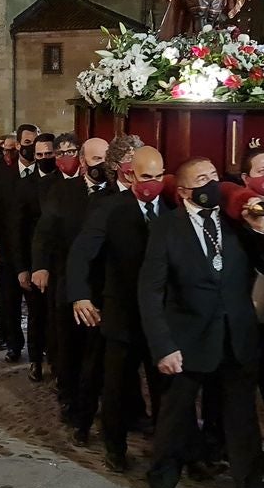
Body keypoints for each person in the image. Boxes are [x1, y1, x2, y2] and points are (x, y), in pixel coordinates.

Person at [139, 156, 264, 488]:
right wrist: (164, 346)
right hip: (187, 342)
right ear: (184, 190)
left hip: (236, 339)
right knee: (174, 418)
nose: (212, 184)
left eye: (215, 177)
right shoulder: (166, 227)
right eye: (202, 180)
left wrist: (261, 229)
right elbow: (150, 291)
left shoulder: (237, 219)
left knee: (244, 429)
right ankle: (162, 482)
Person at [67, 141, 162, 465]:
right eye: (146, 176)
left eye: (158, 176)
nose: (152, 183)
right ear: (130, 175)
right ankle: (115, 447)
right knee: (114, 383)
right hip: (120, 311)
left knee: (165, 385)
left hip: (160, 316)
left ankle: (169, 448)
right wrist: (80, 295)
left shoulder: (172, 207)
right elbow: (82, 253)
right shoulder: (109, 208)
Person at [32, 136, 111, 427]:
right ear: (83, 161)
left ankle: (100, 396)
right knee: (68, 343)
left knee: (99, 348)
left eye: (106, 159)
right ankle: (69, 395)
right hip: (67, 278)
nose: (101, 166)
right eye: (95, 160)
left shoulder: (115, 194)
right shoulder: (64, 191)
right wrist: (39, 266)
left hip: (104, 283)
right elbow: (45, 231)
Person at [0, 124, 38, 360]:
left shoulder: (44, 173)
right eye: (27, 143)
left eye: (35, 143)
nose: (31, 148)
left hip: (33, 249)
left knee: (35, 302)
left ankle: (38, 346)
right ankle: (14, 343)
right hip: (5, 246)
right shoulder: (3, 173)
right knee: (7, 299)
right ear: (18, 145)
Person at [11, 133, 60, 382]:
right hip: (32, 260)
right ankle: (35, 360)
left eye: (48, 154)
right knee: (36, 314)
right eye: (39, 155)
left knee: (56, 315)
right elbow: (17, 229)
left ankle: (56, 358)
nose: (42, 159)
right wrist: (21, 268)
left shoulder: (66, 182)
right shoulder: (25, 185)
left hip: (59, 262)